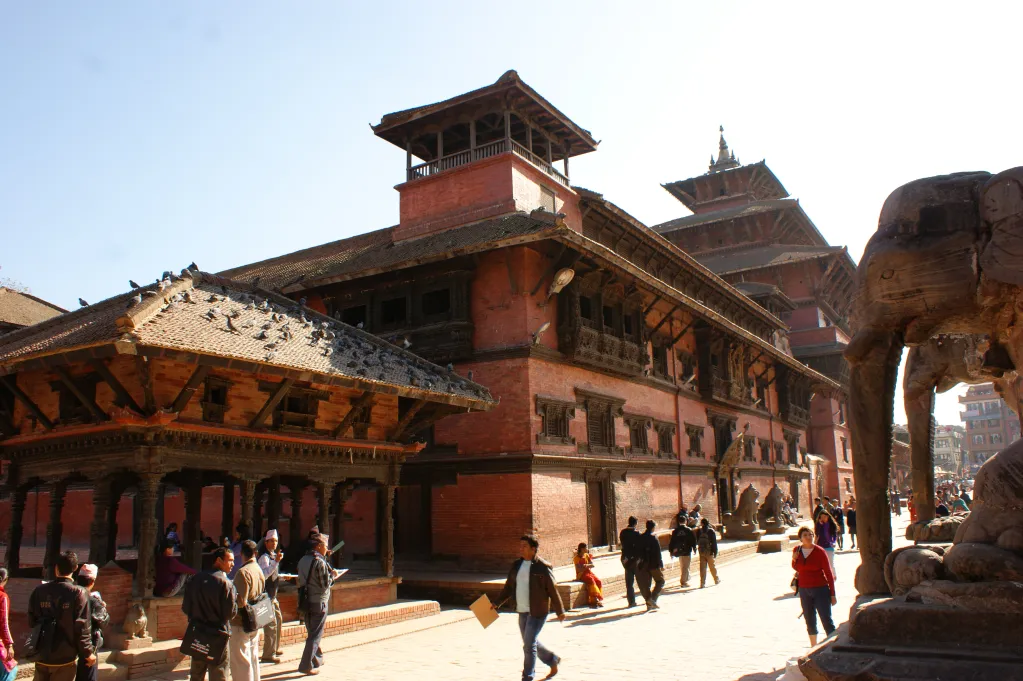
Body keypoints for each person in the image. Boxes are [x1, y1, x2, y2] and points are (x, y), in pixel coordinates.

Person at [494, 535, 565, 681]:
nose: (521, 549)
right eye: (520, 546)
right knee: (529, 643)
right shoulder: (516, 566)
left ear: (533, 549)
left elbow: (552, 589)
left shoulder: (543, 567)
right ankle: (552, 660)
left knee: (528, 645)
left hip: (537, 611)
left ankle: (528, 677)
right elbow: (508, 587)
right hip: (522, 610)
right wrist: (497, 603)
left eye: (524, 546)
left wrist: (560, 611)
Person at [28, 551, 95, 681]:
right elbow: (82, 626)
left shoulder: (39, 591)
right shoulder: (79, 593)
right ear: (75, 568)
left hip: (42, 653)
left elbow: (32, 621)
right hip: (65, 657)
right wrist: (88, 653)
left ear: (56, 568)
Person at [182, 547, 237, 681]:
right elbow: (230, 613)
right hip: (218, 633)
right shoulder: (226, 584)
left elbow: (185, 608)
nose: (233, 564)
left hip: (198, 632)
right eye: (230, 560)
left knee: (196, 673)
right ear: (218, 561)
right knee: (219, 674)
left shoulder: (194, 579)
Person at [297, 533, 342, 676]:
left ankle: (317, 659)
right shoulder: (320, 562)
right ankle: (305, 664)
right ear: (319, 546)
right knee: (315, 634)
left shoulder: (303, 559)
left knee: (312, 630)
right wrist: (333, 576)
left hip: (306, 600)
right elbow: (324, 585)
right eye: (325, 546)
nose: (327, 549)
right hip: (319, 601)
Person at [792, 527, 836, 646]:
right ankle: (813, 646)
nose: (808, 537)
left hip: (820, 589)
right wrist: (794, 559)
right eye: (805, 535)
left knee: (826, 619)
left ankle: (832, 645)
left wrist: (832, 594)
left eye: (810, 534)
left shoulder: (820, 551)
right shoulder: (797, 550)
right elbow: (797, 568)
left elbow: (828, 573)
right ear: (800, 538)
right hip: (804, 589)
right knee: (809, 619)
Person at [229, 540, 264, 681]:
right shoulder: (258, 569)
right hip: (255, 618)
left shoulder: (243, 572)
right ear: (255, 554)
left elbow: (241, 602)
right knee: (253, 656)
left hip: (241, 621)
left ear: (242, 554)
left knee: (241, 661)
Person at [73, 564, 108, 681]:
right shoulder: (94, 601)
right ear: (92, 582)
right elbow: (102, 621)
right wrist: (103, 608)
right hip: (88, 649)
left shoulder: (70, 597)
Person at [257, 530, 285, 664]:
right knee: (270, 626)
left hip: (273, 595)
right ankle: (268, 654)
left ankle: (275, 647)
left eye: (276, 541)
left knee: (278, 620)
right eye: (272, 541)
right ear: (266, 542)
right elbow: (264, 575)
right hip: (265, 596)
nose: (274, 544)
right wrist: (276, 563)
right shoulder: (264, 557)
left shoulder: (274, 556)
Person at [636, 520, 665, 611]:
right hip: (653, 564)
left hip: (643, 564)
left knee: (647, 584)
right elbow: (658, 552)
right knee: (660, 581)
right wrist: (661, 564)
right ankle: (652, 600)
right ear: (653, 527)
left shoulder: (640, 537)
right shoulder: (654, 538)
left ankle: (649, 603)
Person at [618, 516, 642, 608]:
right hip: (635, 559)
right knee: (640, 580)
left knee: (629, 582)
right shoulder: (636, 533)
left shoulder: (623, 532)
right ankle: (647, 598)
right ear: (635, 523)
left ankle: (631, 602)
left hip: (625, 558)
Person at [668, 518, 697, 588]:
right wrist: (694, 548)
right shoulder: (688, 530)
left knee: (682, 566)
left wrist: (671, 551)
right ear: (685, 521)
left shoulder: (675, 531)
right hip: (687, 551)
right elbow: (693, 540)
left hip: (678, 551)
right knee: (686, 567)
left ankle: (686, 578)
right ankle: (683, 582)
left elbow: (672, 542)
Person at [572, 544, 603, 608]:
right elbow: (578, 569)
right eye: (586, 548)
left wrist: (585, 566)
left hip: (589, 572)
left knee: (598, 581)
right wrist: (587, 566)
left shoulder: (587, 555)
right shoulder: (576, 558)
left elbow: (592, 565)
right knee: (591, 580)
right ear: (582, 549)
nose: (587, 549)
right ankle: (594, 601)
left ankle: (598, 598)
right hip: (581, 574)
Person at [0, 568, 17, 681]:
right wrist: (9, 644)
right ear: (5, 580)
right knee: (10, 670)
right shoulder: (2, 597)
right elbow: (3, 622)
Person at [696, 517, 720, 588]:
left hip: (701, 552)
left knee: (702, 568)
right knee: (712, 567)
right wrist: (715, 552)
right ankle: (716, 579)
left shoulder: (699, 531)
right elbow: (714, 543)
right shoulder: (711, 531)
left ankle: (702, 583)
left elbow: (697, 541)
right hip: (709, 552)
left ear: (702, 523)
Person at [814, 510, 840, 576]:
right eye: (821, 517)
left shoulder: (831, 524)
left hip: (829, 546)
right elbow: (817, 534)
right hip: (820, 546)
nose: (823, 518)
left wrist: (833, 542)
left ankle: (833, 576)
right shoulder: (819, 525)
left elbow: (834, 535)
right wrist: (820, 525)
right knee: (820, 564)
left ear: (828, 516)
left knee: (830, 563)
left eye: (825, 516)